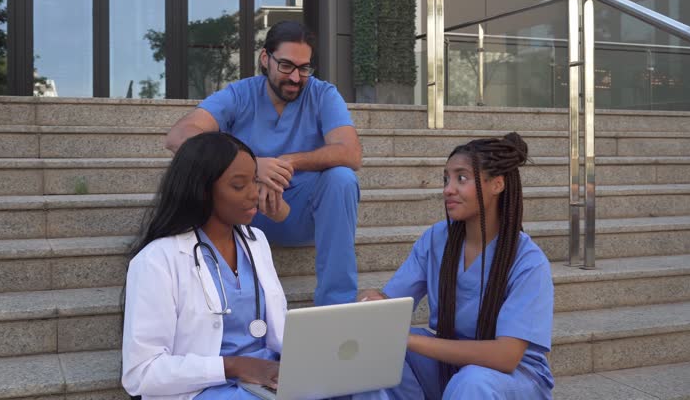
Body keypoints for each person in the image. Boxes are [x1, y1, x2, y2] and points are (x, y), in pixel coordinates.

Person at [165, 20, 362, 306]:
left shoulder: (323, 94)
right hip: (242, 212)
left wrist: (286, 162)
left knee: (342, 179)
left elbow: (351, 153)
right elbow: (178, 137)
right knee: (197, 171)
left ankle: (338, 305)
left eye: (304, 68)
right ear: (265, 59)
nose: (295, 77)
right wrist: (252, 167)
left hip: (297, 213)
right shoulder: (239, 94)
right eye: (286, 66)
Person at [358, 132, 554, 399]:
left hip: (511, 378)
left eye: (461, 178)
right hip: (449, 369)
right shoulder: (436, 240)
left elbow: (506, 356)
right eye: (446, 179)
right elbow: (393, 304)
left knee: (473, 382)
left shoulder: (528, 261)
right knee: (380, 350)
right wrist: (372, 300)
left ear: (497, 184)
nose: (448, 189)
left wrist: (411, 340)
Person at [122, 132, 290, 399]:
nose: (253, 194)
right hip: (205, 388)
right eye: (238, 185)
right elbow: (141, 373)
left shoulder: (256, 241)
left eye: (255, 181)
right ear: (202, 191)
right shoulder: (157, 260)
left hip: (270, 377)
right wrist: (234, 366)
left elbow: (278, 330)